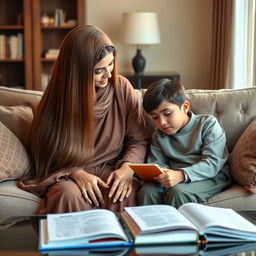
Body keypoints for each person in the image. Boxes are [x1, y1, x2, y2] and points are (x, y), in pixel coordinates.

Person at [18, 25, 148, 213]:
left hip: (111, 169)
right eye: (98, 70)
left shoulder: (122, 88)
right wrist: (76, 173)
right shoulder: (57, 98)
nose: (108, 75)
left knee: (123, 192)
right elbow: (45, 151)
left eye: (111, 64)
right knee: (65, 195)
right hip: (68, 174)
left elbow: (138, 139)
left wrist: (127, 169)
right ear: (78, 69)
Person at [137, 79, 232, 208]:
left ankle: (177, 229)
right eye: (155, 117)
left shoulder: (207, 125)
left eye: (167, 114)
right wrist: (159, 173)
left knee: (178, 193)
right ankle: (149, 227)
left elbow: (213, 162)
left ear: (185, 107)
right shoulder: (158, 134)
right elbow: (157, 162)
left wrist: (181, 175)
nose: (162, 122)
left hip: (210, 177)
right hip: (175, 177)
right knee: (148, 191)